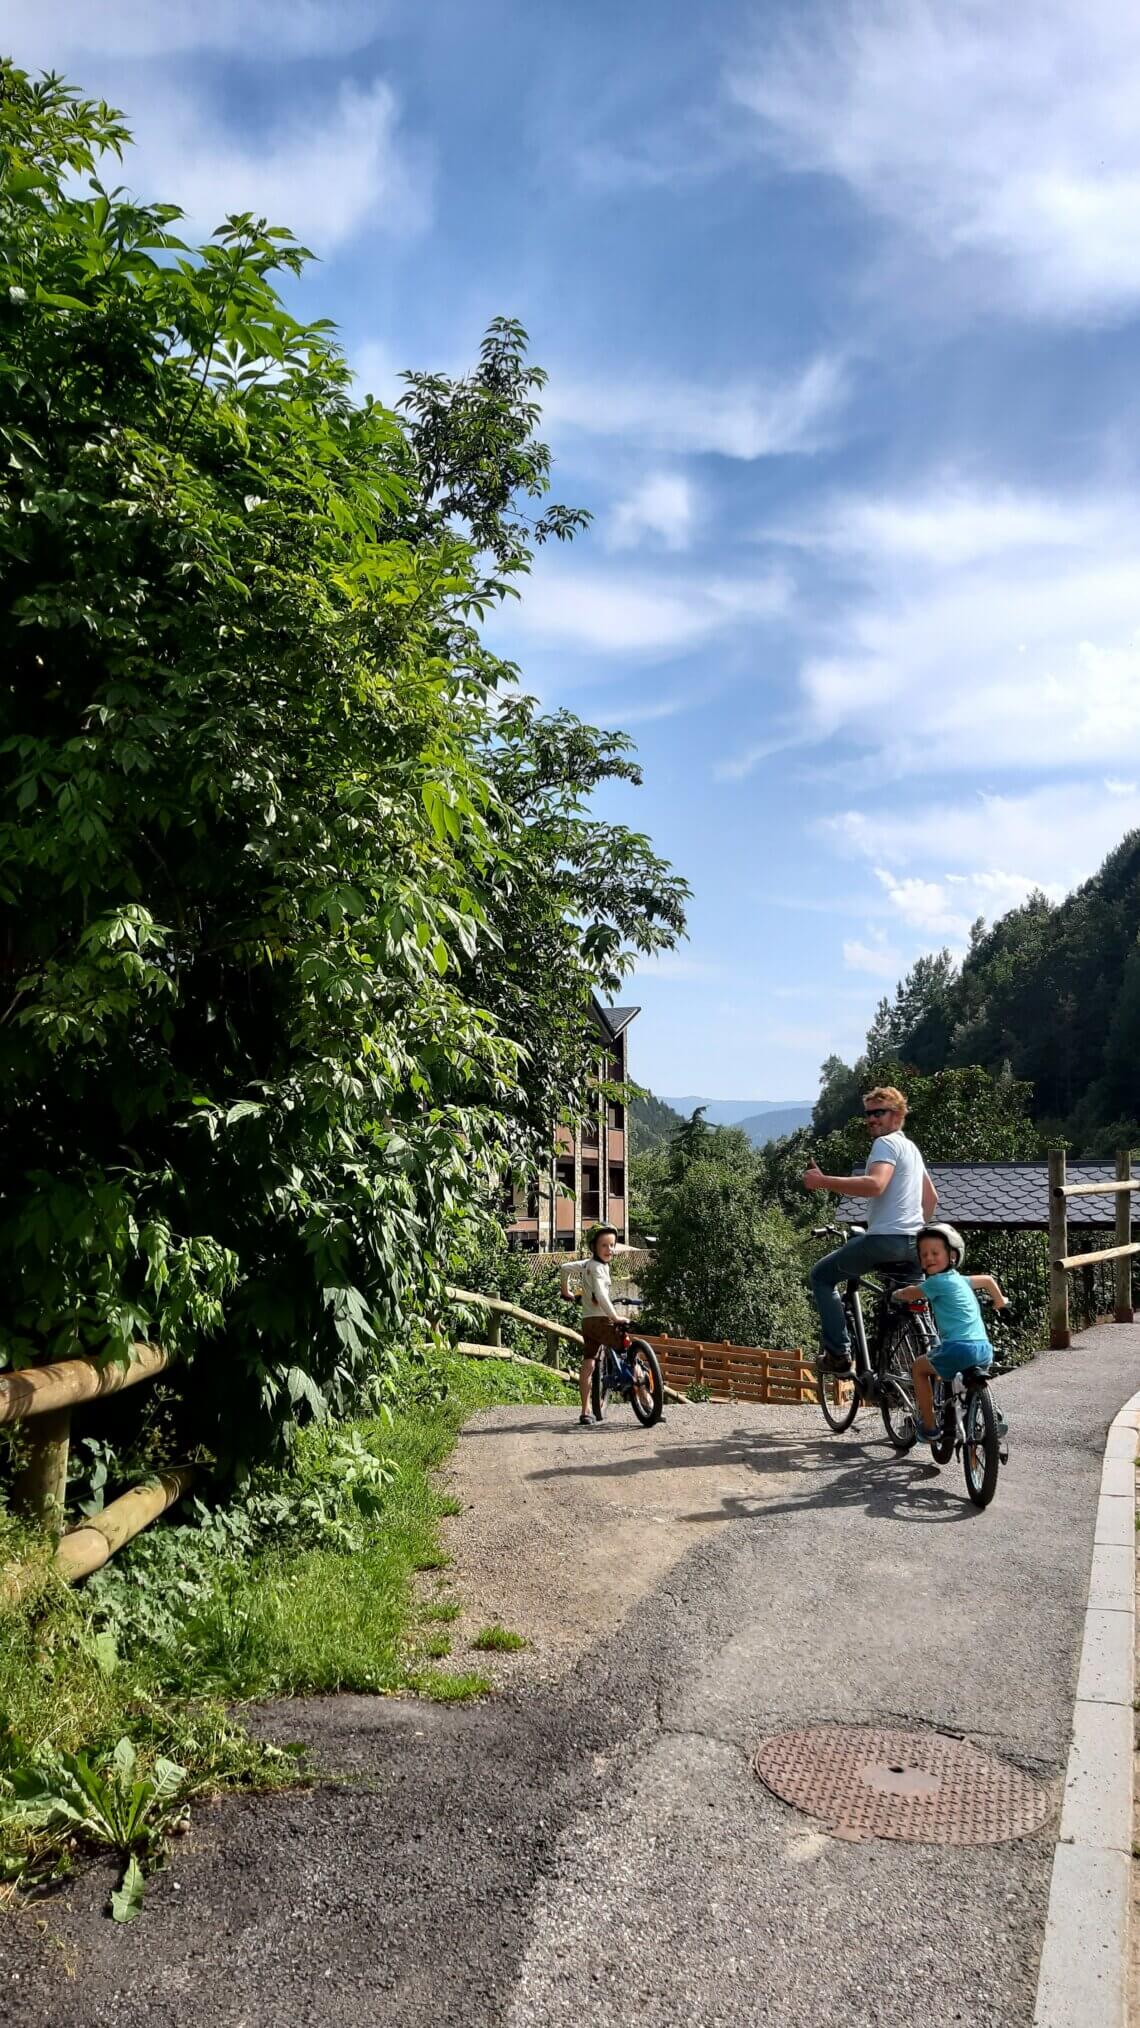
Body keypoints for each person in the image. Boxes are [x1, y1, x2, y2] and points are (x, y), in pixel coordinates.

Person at [803, 1085, 938, 1374]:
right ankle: (905, 1379)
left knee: (821, 1277)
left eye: (879, 1112)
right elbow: (931, 1199)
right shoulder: (910, 1148)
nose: (871, 1119)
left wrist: (823, 1180)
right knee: (904, 1304)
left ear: (898, 1115)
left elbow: (876, 1185)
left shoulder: (885, 1144)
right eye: (868, 1114)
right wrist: (911, 1228)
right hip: (915, 1244)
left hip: (884, 1240)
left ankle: (838, 1354)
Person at [894, 1223, 1009, 1442]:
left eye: (935, 1253)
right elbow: (988, 1280)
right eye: (924, 1254)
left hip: (957, 1348)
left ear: (953, 1256)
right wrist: (999, 1300)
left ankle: (929, 1428)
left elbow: (912, 1293)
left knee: (919, 1368)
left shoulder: (935, 1282)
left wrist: (897, 1293)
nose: (928, 1258)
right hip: (984, 1349)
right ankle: (988, 1411)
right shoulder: (962, 1280)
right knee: (965, 1376)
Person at [560, 1224, 624, 1427]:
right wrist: (615, 1317)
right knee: (628, 1348)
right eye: (604, 1245)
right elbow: (603, 1295)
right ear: (594, 1247)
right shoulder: (598, 1268)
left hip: (587, 1321)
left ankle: (586, 1410)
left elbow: (564, 1268)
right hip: (602, 1320)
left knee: (589, 1363)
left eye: (612, 1245)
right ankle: (647, 1400)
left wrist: (566, 1291)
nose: (609, 1249)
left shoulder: (588, 1264)